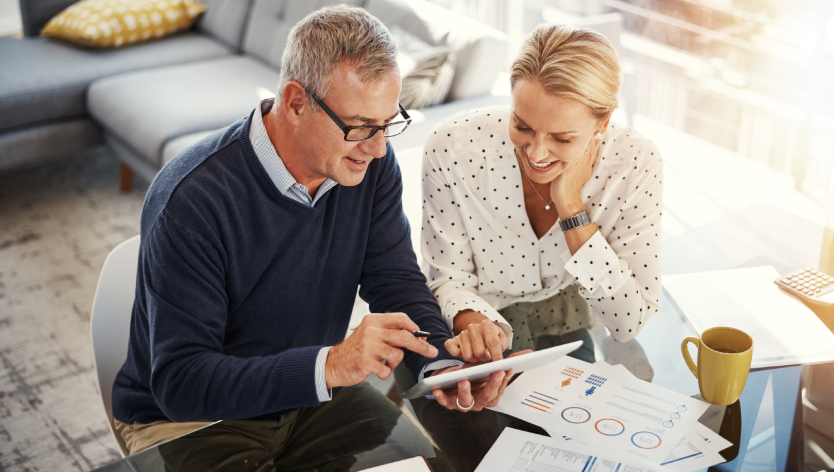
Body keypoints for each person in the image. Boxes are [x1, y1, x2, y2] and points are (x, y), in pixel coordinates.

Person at [110, 6, 514, 465]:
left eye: (388, 123)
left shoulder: (370, 165)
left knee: (426, 467)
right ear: (296, 101)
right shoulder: (193, 200)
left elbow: (396, 281)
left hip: (310, 394)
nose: (379, 146)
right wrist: (332, 365)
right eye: (360, 126)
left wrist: (443, 366)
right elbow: (182, 383)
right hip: (191, 419)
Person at [421, 24, 664, 365]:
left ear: (603, 123)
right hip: (468, 323)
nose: (536, 154)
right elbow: (447, 278)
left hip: (566, 321)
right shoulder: (452, 148)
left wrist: (571, 208)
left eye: (562, 139)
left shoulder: (634, 163)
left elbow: (628, 322)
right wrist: (477, 328)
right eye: (522, 126)